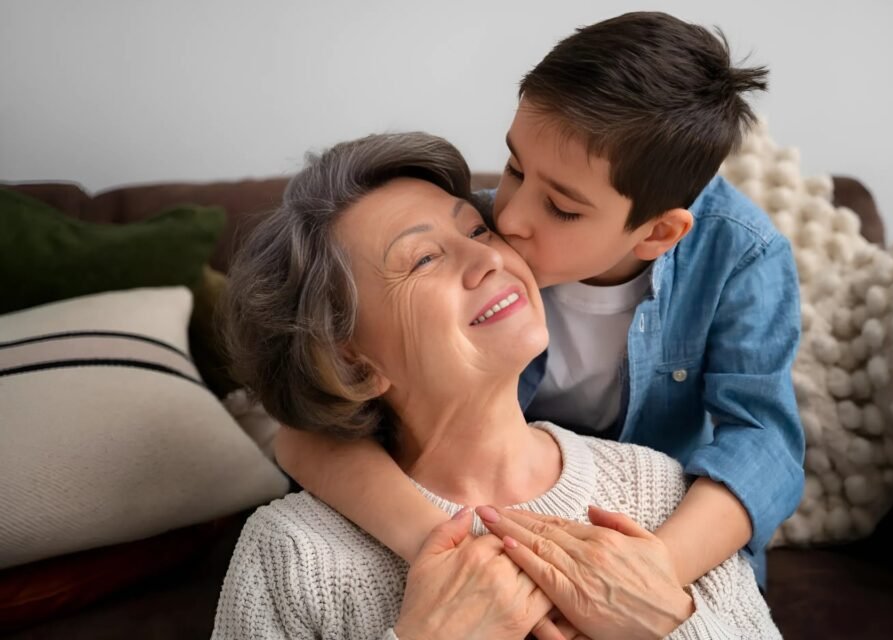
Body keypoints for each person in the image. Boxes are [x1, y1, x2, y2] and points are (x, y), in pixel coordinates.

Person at [274, 10, 804, 593]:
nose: (510, 219)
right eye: (514, 167)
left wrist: (649, 575)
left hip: (639, 524)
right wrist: (443, 548)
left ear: (657, 234)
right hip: (490, 514)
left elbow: (765, 444)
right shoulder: (471, 239)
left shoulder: (741, 256)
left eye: (562, 208)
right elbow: (307, 427)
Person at [212, 132, 780, 640]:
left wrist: (667, 621)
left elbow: (767, 445)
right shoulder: (290, 553)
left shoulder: (659, 493)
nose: (488, 254)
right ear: (353, 362)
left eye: (478, 227)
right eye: (424, 258)